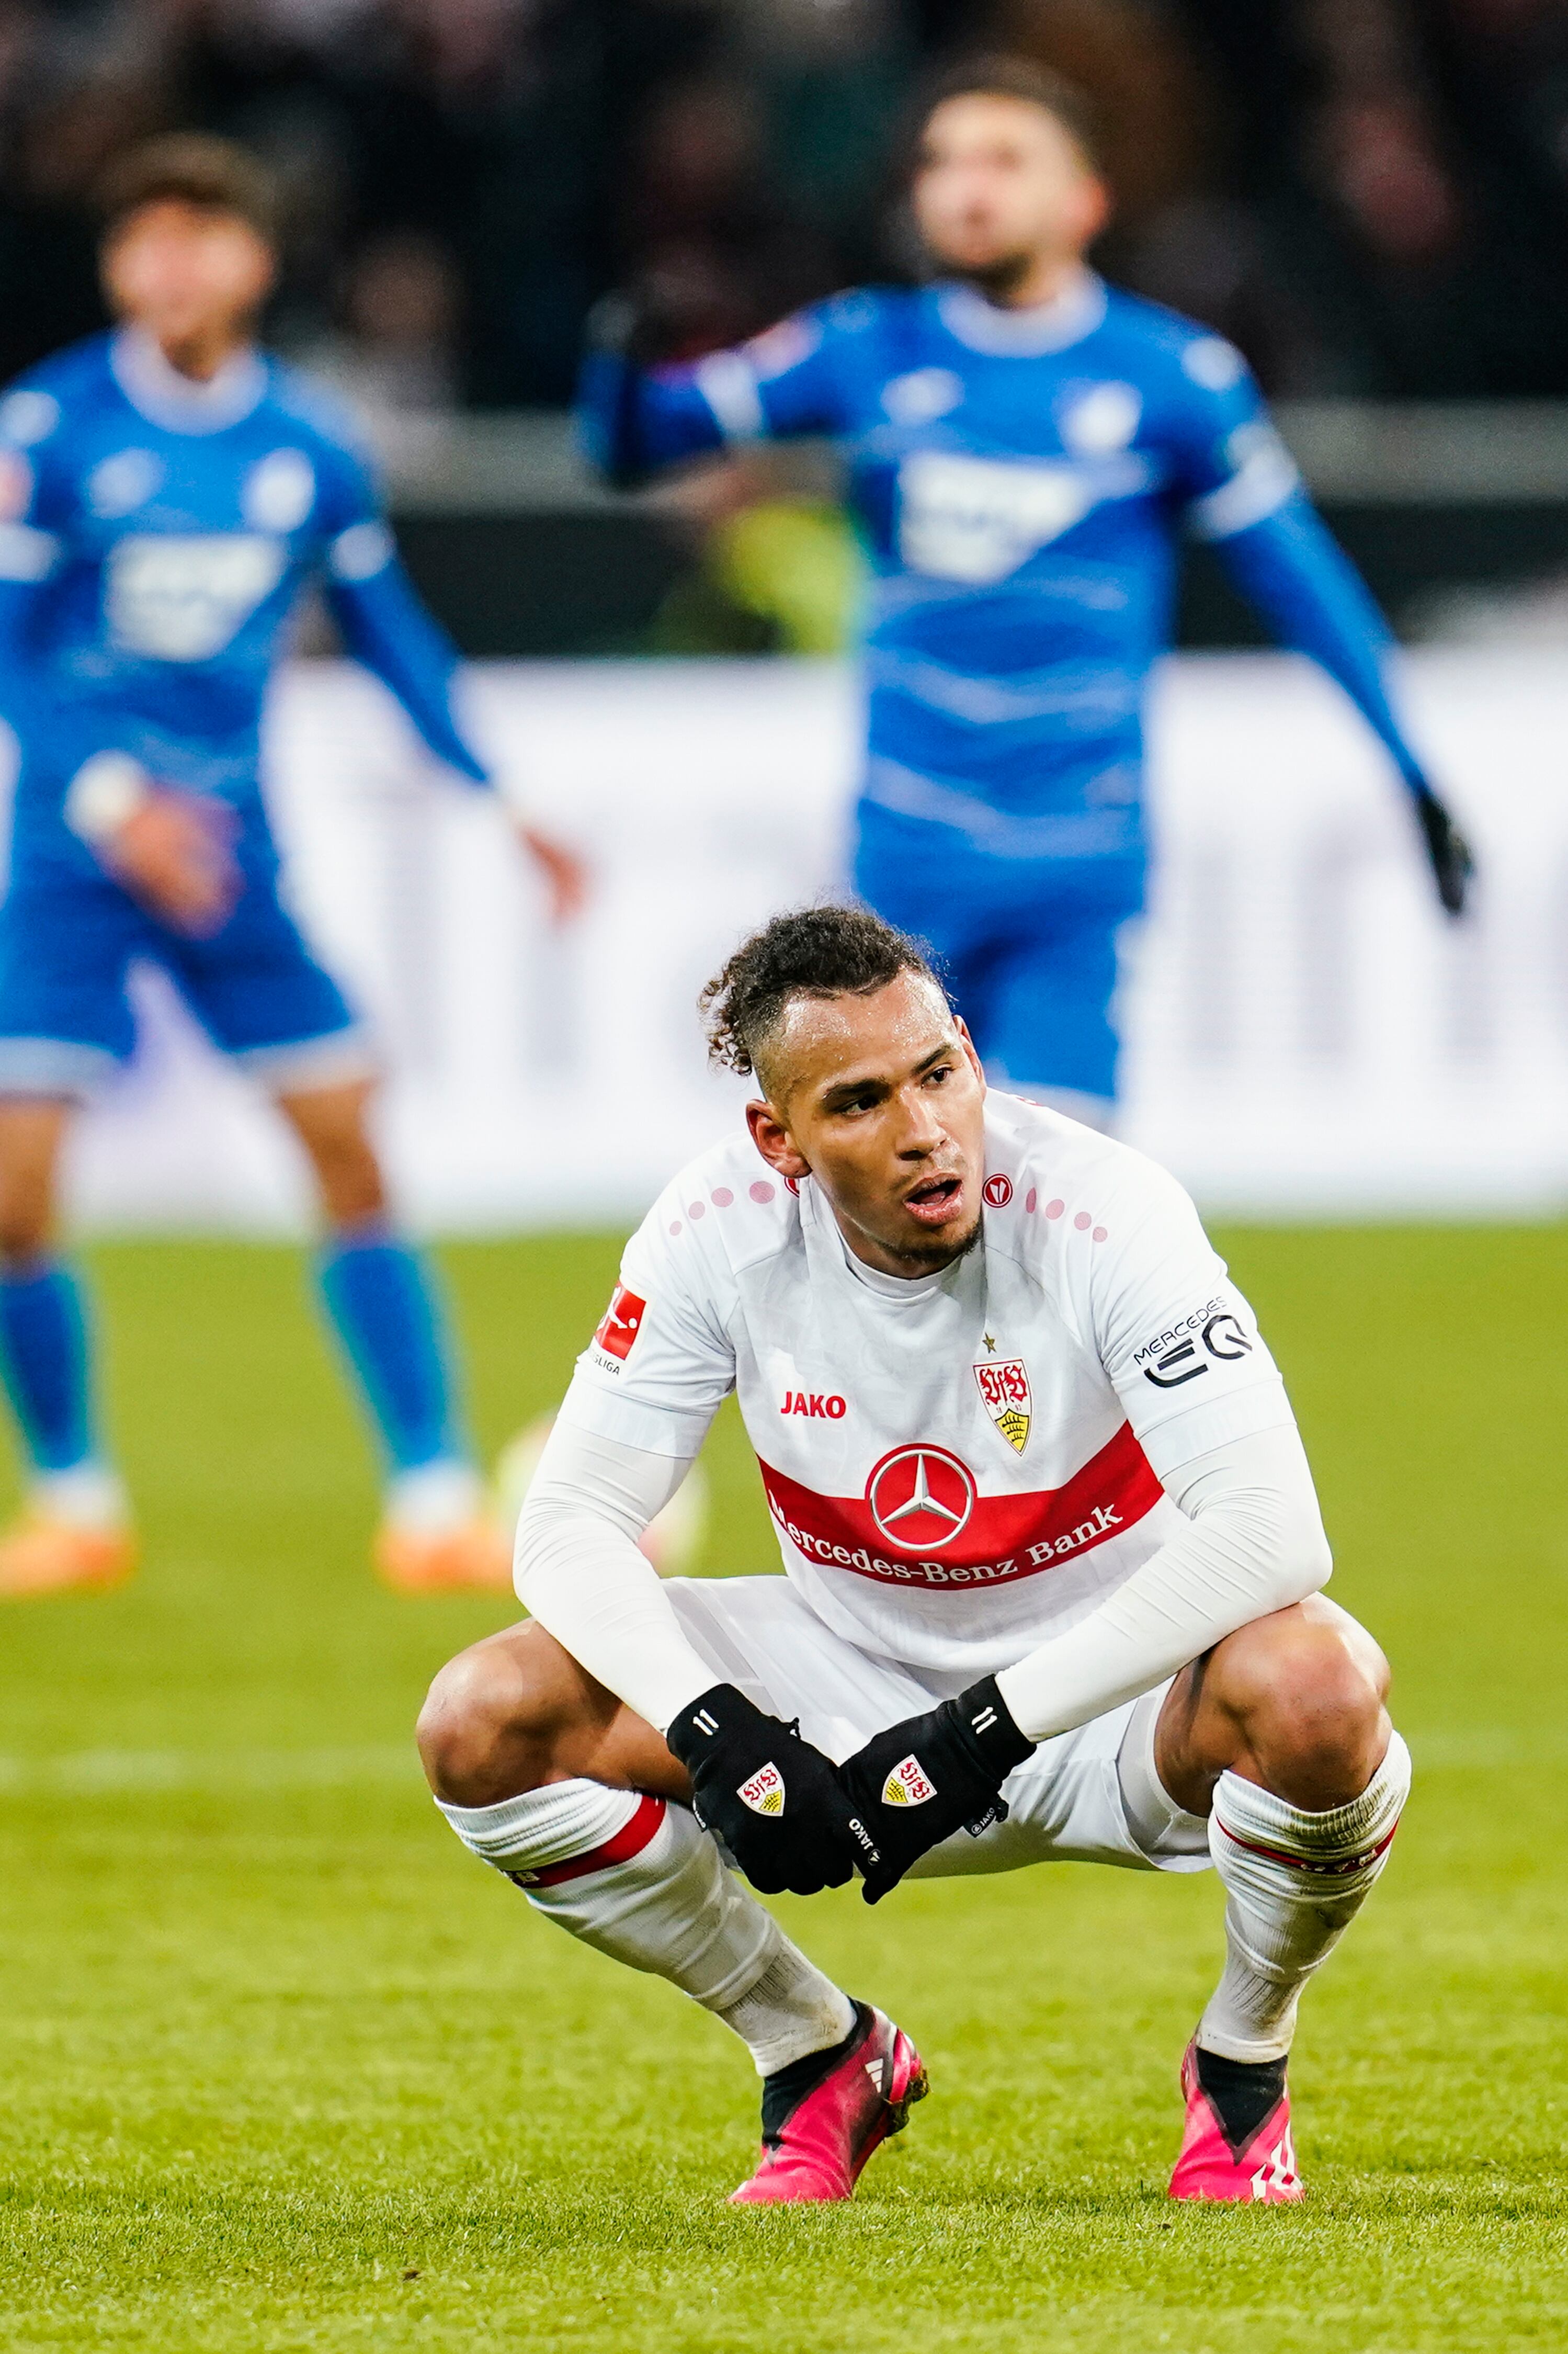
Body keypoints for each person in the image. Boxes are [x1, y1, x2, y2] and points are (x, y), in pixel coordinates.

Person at [417, 904, 1409, 2206]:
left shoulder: (1105, 1208)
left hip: (1119, 1698)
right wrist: (713, 1729)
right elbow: (563, 1526)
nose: (924, 1128)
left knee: (1319, 1688)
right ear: (778, 1139)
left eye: (940, 1071)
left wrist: (983, 1733)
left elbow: (1272, 1528)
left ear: (970, 1056)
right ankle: (815, 2050)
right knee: (483, 1720)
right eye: (861, 1101)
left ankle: (1240, 2060)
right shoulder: (714, 1228)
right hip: (847, 1680)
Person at [579, 55, 1472, 1131]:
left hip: (1072, 867)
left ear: (1081, 200)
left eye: (1002, 159)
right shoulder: (862, 347)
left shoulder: (1169, 378)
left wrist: (1407, 763)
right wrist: (617, 352)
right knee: (890, 1228)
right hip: (905, 867)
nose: (966, 185)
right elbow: (633, 446)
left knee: (1054, 1209)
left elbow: (1299, 582)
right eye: (942, 162)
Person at [0, 135, 584, 1598]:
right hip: (77, 851)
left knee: (347, 1145)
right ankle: (73, 1497)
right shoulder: (48, 428)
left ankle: (433, 1489)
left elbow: (393, 639)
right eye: (144, 241)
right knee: (12, 1192)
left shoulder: (306, 444)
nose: (170, 266)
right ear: (117, 264)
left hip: (235, 859)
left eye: (199, 238)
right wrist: (115, 797)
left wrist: (502, 796)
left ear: (252, 263)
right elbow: (14, 648)